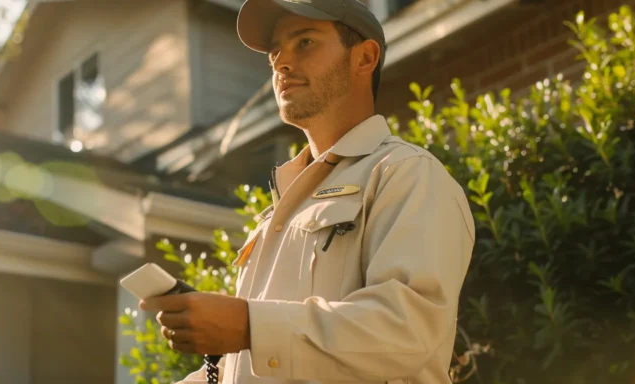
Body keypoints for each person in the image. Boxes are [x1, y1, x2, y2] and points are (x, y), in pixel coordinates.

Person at [139, 0, 476, 382]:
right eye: (274, 53)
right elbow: (261, 365)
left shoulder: (406, 174)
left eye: (305, 42)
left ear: (364, 57)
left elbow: (408, 331)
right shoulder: (274, 217)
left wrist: (249, 325)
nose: (281, 63)